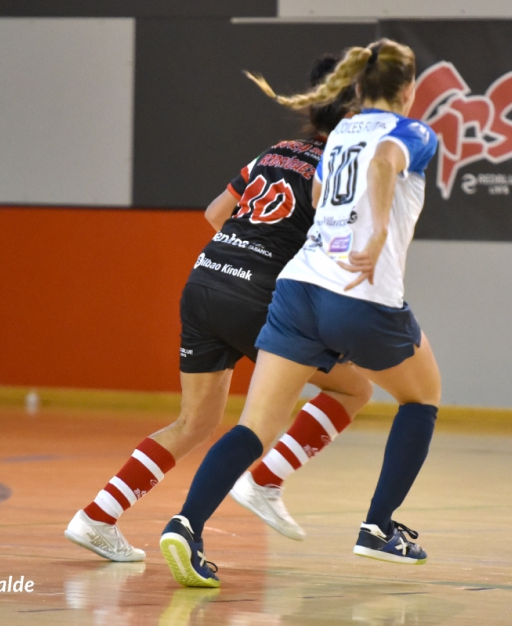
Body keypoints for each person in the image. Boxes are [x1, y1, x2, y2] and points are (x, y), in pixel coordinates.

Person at [64, 55, 373, 562]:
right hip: (259, 297)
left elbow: (215, 213)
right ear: (355, 115)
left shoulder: (276, 151)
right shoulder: (338, 168)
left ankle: (97, 517)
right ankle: (265, 481)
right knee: (353, 387)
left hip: (206, 280)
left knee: (195, 421)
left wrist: (245, 251)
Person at [160, 38, 441, 589]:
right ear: (408, 88)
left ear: (358, 85)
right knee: (422, 397)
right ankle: (379, 527)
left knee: (255, 425)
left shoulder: (340, 134)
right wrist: (376, 231)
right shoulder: (413, 132)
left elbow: (317, 194)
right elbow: (386, 161)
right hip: (360, 296)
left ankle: (185, 526)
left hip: (297, 289)